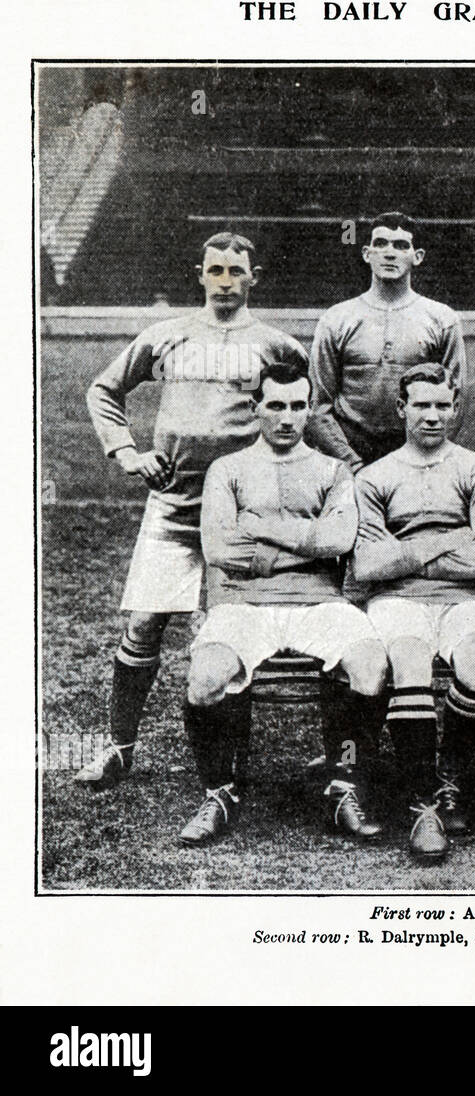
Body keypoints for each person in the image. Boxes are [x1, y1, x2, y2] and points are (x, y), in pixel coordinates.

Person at [78, 232, 308, 790]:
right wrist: (128, 452)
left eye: (236, 271)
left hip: (242, 514)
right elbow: (104, 390)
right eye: (216, 270)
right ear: (200, 274)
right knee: (143, 625)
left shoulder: (278, 346)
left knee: (230, 632)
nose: (226, 280)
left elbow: (304, 412)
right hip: (174, 504)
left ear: (254, 278)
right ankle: (117, 749)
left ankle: (231, 765)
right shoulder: (167, 336)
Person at [179, 362, 389, 846]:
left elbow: (339, 538)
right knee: (206, 678)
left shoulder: (333, 471)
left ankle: (345, 778)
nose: (287, 417)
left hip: (320, 602)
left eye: (298, 405)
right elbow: (218, 550)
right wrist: (305, 547)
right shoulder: (227, 470)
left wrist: (260, 527)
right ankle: (220, 792)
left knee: (371, 667)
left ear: (310, 408)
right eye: (275, 405)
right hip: (243, 605)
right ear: (256, 408)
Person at [351, 364, 475, 860]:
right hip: (397, 601)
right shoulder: (375, 476)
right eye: (422, 405)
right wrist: (451, 539)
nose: (433, 416)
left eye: (443, 406)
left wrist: (407, 549)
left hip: (465, 600)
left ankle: (449, 777)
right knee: (411, 661)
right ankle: (423, 808)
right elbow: (369, 565)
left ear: (455, 409)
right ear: (402, 409)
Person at [308, 210, 466, 471]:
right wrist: (351, 462)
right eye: (380, 244)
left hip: (415, 453)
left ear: (418, 257)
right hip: (350, 451)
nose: (390, 253)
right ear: (366, 254)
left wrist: (424, 458)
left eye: (401, 245)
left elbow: (455, 401)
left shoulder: (441, 319)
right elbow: (318, 405)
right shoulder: (337, 319)